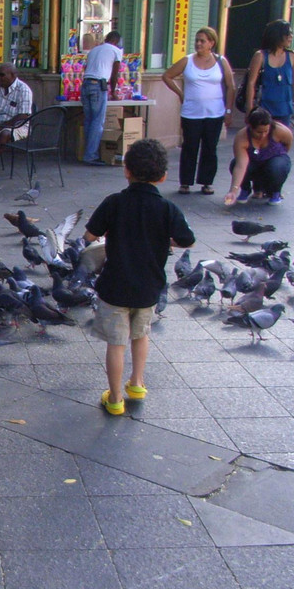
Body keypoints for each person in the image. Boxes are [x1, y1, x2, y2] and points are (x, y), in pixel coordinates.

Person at [84, 138, 195, 415]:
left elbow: (89, 236)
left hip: (115, 286)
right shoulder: (168, 209)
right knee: (141, 335)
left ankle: (115, 399)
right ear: (163, 176)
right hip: (149, 287)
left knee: (116, 343)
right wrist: (167, 239)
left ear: (126, 170)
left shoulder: (114, 203)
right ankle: (137, 384)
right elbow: (188, 240)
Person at [161, 26, 235, 195]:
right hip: (191, 113)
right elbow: (167, 76)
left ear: (211, 43)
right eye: (197, 40)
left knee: (210, 148)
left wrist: (228, 111)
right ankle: (185, 182)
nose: (198, 44)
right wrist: (181, 93)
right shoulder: (187, 61)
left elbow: (231, 86)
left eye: (203, 41)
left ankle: (207, 182)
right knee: (190, 147)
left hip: (214, 112)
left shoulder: (221, 62)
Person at [223, 107, 294, 206]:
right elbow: (241, 165)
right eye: (259, 132)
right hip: (253, 161)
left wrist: (279, 156)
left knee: (277, 166)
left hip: (275, 158)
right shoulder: (242, 137)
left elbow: (287, 145)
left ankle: (275, 192)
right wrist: (233, 191)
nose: (263, 135)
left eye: (266, 131)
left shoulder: (281, 131)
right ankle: (245, 189)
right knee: (234, 163)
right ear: (250, 127)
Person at [245, 20, 294, 126]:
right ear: (277, 35)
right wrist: (249, 107)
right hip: (264, 107)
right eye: (287, 34)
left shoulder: (292, 56)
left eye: (291, 34)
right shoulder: (260, 56)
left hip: (285, 108)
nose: (290, 37)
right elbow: (251, 83)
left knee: (281, 140)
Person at [81, 31, 123, 166]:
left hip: (86, 84)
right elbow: (114, 74)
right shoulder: (116, 51)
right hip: (98, 85)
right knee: (97, 121)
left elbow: (87, 68)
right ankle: (91, 155)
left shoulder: (94, 50)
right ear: (116, 41)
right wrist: (114, 92)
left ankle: (88, 152)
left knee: (89, 120)